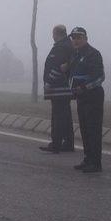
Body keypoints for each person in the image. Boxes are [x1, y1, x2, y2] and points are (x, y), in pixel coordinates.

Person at [68, 27, 105, 173]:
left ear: (85, 38)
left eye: (79, 37)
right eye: (74, 38)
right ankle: (87, 158)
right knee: (84, 129)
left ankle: (96, 162)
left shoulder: (93, 54)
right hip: (81, 97)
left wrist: (84, 87)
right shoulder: (76, 55)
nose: (76, 40)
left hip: (93, 96)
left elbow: (100, 77)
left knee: (93, 130)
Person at [40, 25, 74, 153]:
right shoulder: (67, 45)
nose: (52, 37)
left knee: (58, 117)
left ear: (56, 34)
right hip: (63, 88)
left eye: (53, 34)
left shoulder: (61, 47)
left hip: (58, 88)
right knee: (65, 117)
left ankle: (56, 144)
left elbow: (58, 67)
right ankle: (68, 143)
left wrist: (49, 82)